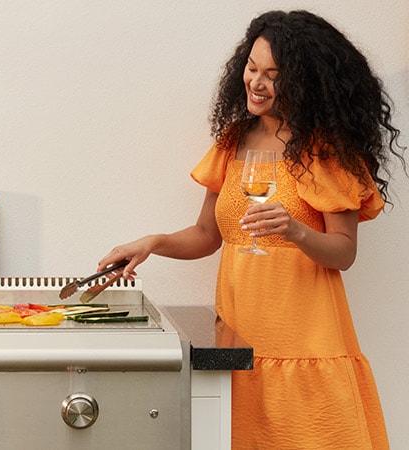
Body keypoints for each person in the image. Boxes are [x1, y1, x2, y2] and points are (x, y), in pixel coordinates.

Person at [98, 10, 403, 449]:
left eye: (272, 75)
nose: (255, 83)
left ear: (305, 81)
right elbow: (207, 233)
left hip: (304, 342)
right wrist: (152, 243)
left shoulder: (326, 151)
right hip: (240, 336)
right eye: (252, 68)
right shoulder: (233, 141)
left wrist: (295, 230)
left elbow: (343, 253)